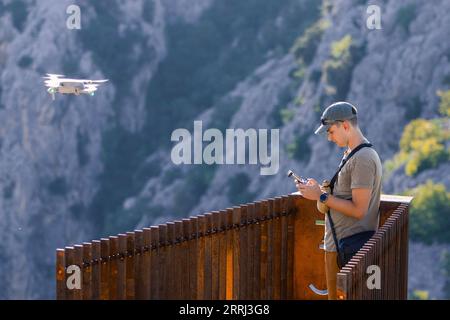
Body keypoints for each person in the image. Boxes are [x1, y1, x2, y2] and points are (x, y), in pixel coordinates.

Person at [296, 101, 382, 300]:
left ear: (345, 125)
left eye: (331, 131)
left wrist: (321, 195)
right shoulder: (351, 155)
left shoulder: (363, 159)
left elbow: (359, 210)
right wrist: (319, 191)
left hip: (349, 251)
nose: (329, 137)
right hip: (343, 248)